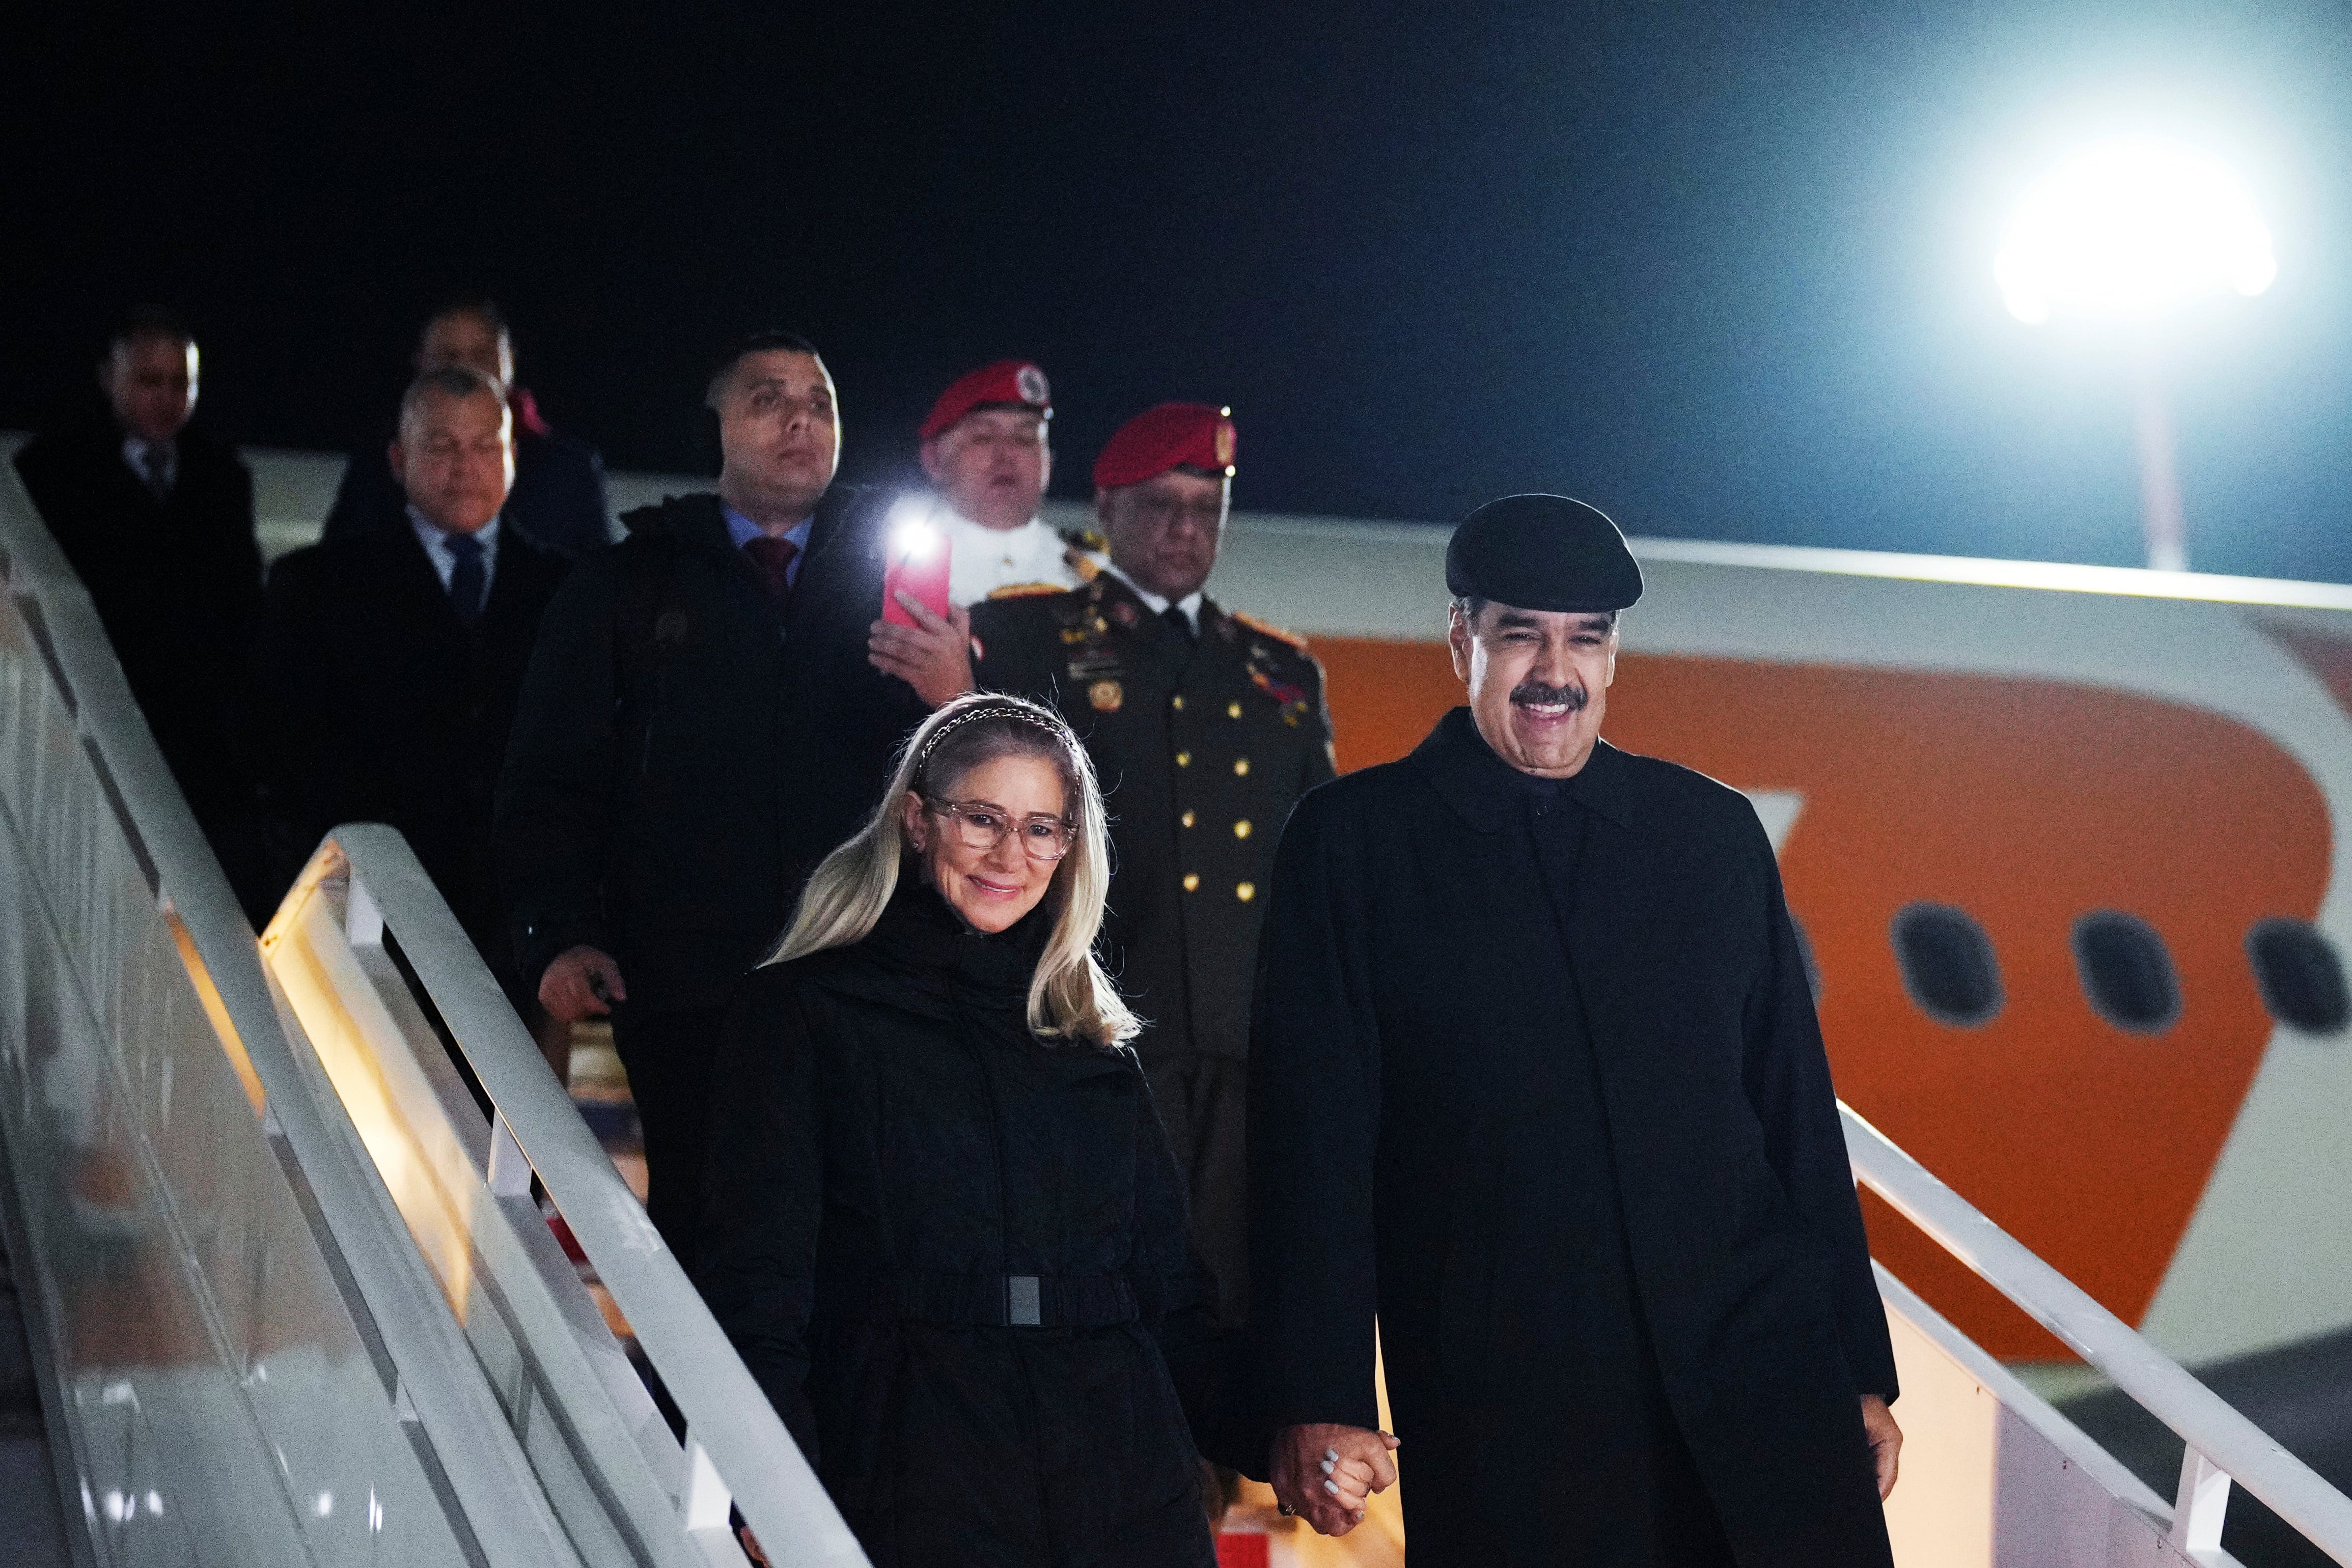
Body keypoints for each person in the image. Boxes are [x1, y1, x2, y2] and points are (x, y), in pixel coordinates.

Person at [1246, 494, 1902, 1565]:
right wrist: (1316, 1394)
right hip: (1512, 1404)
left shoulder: (1707, 835)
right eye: (1521, 634)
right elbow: (1310, 1145)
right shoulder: (1353, 846)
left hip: (1757, 1378)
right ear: (1461, 637)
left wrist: (1855, 1367)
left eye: (1584, 639)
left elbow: (1791, 1113)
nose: (1554, 670)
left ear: (1612, 657)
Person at [701, 693, 1222, 1568]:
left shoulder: (1087, 1043)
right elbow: (758, 1278)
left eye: (1041, 829)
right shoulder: (804, 1014)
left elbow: (1170, 1291)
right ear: (915, 819)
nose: (1009, 855)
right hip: (913, 1458)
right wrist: (768, 1470)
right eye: (981, 818)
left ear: (1067, 849)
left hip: (1122, 1465)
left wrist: (1299, 1422)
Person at [495, 330, 975, 1262]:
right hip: (689, 983)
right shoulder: (627, 581)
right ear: (715, 423)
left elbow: (973, 791)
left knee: (864, 1244)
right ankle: (702, 1415)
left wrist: (956, 696)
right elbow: (551, 778)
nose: (801, 417)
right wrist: (554, 931)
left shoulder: (897, 578)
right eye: (768, 398)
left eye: (820, 401)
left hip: (865, 974)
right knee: (710, 1228)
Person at [971, 403, 1332, 1335]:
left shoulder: (1279, 670)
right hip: (1093, 1018)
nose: (1184, 528)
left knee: (1225, 1293)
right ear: (1104, 508)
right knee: (1097, 1276)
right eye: (1161, 504)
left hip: (1241, 1039)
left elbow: (1315, 864)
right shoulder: (1027, 639)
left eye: (1204, 506)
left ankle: (1206, 1482)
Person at [256, 366, 572, 1022]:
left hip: (514, 926)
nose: (465, 466)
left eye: (485, 446)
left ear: (513, 456)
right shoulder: (318, 588)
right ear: (399, 460)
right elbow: (286, 749)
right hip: (371, 911)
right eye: (441, 446)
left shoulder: (570, 593)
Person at [12, 307, 269, 914]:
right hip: (94, 705)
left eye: (180, 383)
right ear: (110, 377)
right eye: (149, 381)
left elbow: (242, 598)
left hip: (201, 721)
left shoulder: (222, 475)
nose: (166, 398)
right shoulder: (52, 472)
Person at [323, 298, 611, 558]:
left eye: (482, 355)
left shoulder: (568, 469)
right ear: (421, 361)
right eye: (449, 356)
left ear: (509, 360)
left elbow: (596, 582)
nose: (466, 368)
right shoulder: (378, 462)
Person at [915, 359, 1087, 606]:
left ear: (1049, 460)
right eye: (983, 438)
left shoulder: (1089, 573)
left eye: (1026, 439)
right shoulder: (896, 567)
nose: (1007, 455)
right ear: (934, 460)